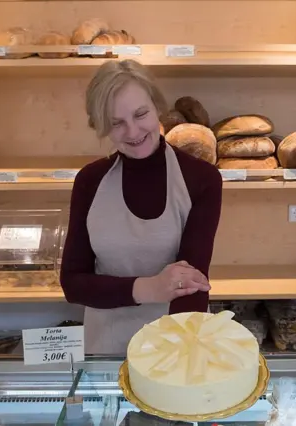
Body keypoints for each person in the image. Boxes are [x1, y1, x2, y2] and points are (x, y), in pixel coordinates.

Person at [60, 59, 223, 355]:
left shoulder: (202, 179)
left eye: (140, 114)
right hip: (106, 347)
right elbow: (73, 284)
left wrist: (179, 358)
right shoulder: (90, 181)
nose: (133, 131)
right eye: (116, 123)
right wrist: (151, 288)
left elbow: (193, 286)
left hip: (178, 341)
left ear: (157, 107)